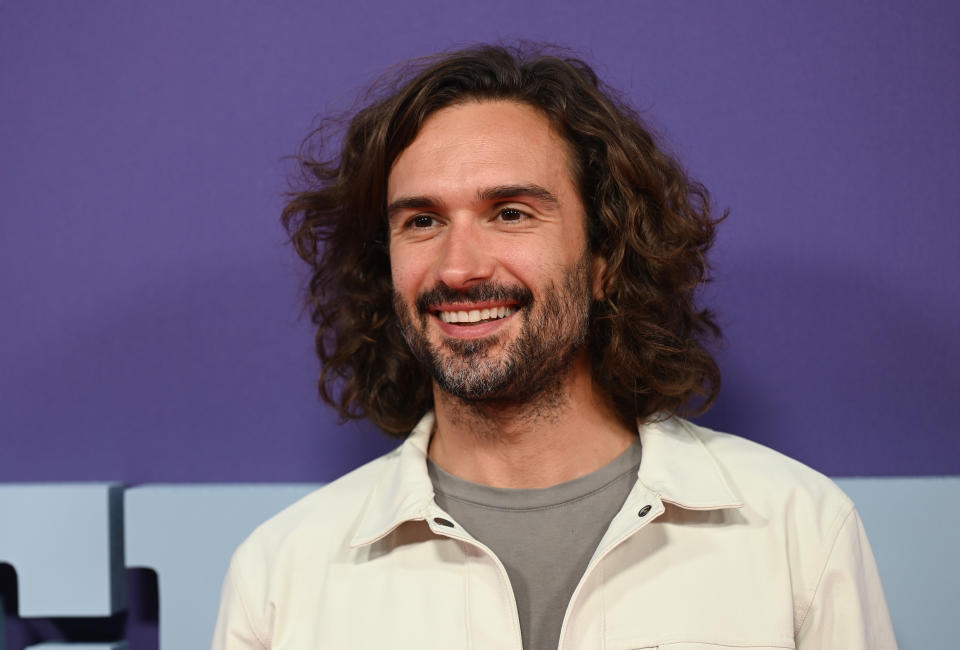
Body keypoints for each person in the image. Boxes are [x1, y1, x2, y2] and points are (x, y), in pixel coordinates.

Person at [212, 44, 897, 650]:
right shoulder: (283, 576)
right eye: (422, 221)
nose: (458, 268)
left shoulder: (798, 532)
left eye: (510, 213)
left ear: (605, 255)